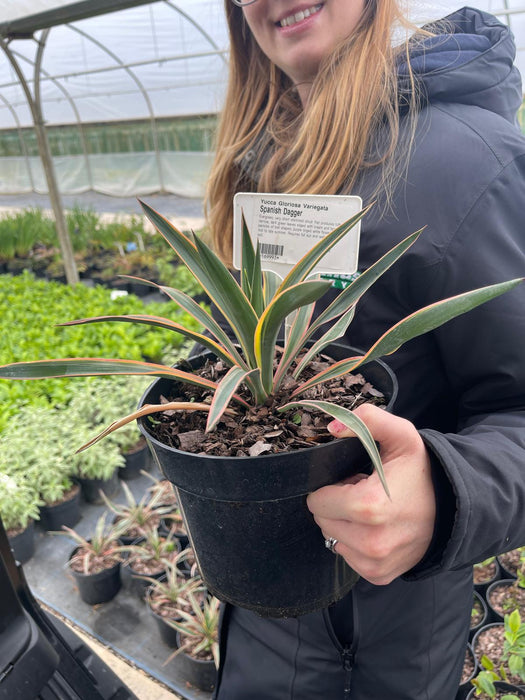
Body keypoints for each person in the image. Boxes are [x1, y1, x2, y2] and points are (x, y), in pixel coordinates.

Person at [203, 1, 525, 698]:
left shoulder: (465, 158)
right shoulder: (265, 157)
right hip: (257, 603)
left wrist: (444, 490)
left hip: (379, 634)